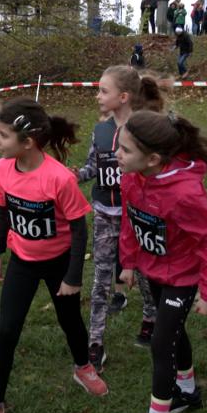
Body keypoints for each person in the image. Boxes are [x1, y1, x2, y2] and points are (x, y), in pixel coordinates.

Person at [0, 98, 106, 413]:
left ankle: (83, 367)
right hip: (23, 263)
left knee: (71, 321)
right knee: (6, 330)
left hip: (59, 263)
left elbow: (78, 229)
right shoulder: (2, 169)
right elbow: (2, 210)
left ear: (27, 142)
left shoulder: (59, 179)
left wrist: (73, 277)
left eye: (3, 136)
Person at [117, 110, 207, 413]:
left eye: (124, 150)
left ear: (152, 159)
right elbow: (131, 220)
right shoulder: (132, 178)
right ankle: (188, 389)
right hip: (152, 270)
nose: (116, 155)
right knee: (173, 333)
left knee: (161, 342)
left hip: (182, 277)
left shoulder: (184, 195)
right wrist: (129, 262)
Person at [74, 66, 165, 371]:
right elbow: (92, 166)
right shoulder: (100, 130)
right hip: (104, 213)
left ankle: (151, 318)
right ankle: (95, 342)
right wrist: (74, 176)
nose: (97, 95)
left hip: (139, 217)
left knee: (143, 272)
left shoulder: (145, 129)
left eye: (103, 90)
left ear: (123, 97)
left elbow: (159, 172)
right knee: (101, 278)